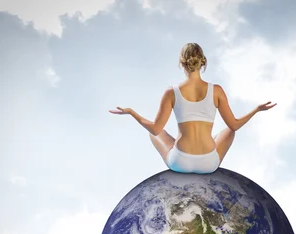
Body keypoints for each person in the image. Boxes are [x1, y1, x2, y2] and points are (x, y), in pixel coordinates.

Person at [109, 42, 276, 174]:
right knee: (229, 131)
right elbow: (234, 125)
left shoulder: (171, 92)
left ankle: (181, 144)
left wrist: (132, 112)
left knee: (156, 133)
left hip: (179, 162)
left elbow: (155, 129)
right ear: (203, 61)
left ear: (181, 62)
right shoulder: (216, 90)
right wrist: (256, 110)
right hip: (208, 163)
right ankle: (200, 143)